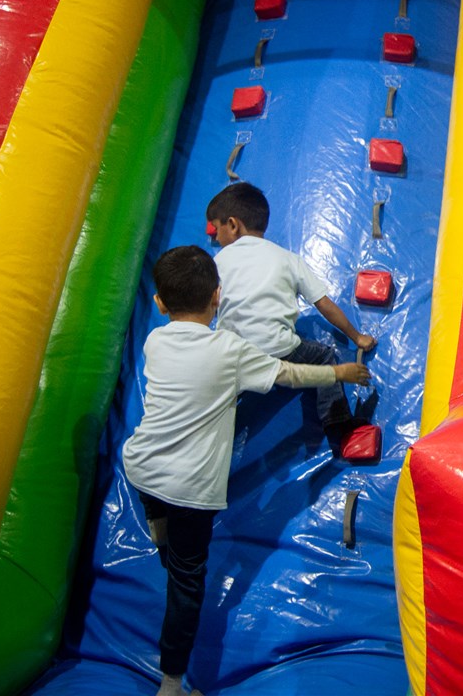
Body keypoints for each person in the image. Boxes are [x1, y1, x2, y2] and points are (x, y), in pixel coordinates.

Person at [123, 246, 370, 696]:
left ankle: (160, 528)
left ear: (158, 303)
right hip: (188, 490)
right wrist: (339, 372)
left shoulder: (154, 341)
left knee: (154, 496)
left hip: (140, 465)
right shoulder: (230, 351)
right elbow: (291, 375)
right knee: (185, 583)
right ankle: (171, 684)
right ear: (217, 297)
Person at [205, 182, 376, 439]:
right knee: (324, 357)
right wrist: (357, 337)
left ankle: (208, 428)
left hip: (234, 354)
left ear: (232, 225)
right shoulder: (288, 259)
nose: (215, 238)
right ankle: (337, 425)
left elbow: (204, 305)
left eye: (215, 229)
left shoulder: (217, 262)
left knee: (220, 390)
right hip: (279, 349)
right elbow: (324, 304)